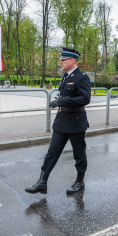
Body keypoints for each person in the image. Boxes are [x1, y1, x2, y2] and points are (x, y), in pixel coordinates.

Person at [25, 48, 91, 195]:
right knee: (51, 153)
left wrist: (62, 100)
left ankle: (79, 182)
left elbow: (85, 99)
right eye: (61, 59)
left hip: (76, 121)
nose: (60, 62)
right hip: (62, 121)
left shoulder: (81, 77)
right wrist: (61, 100)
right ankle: (42, 183)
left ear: (72, 60)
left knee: (79, 154)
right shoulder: (65, 77)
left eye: (63, 59)